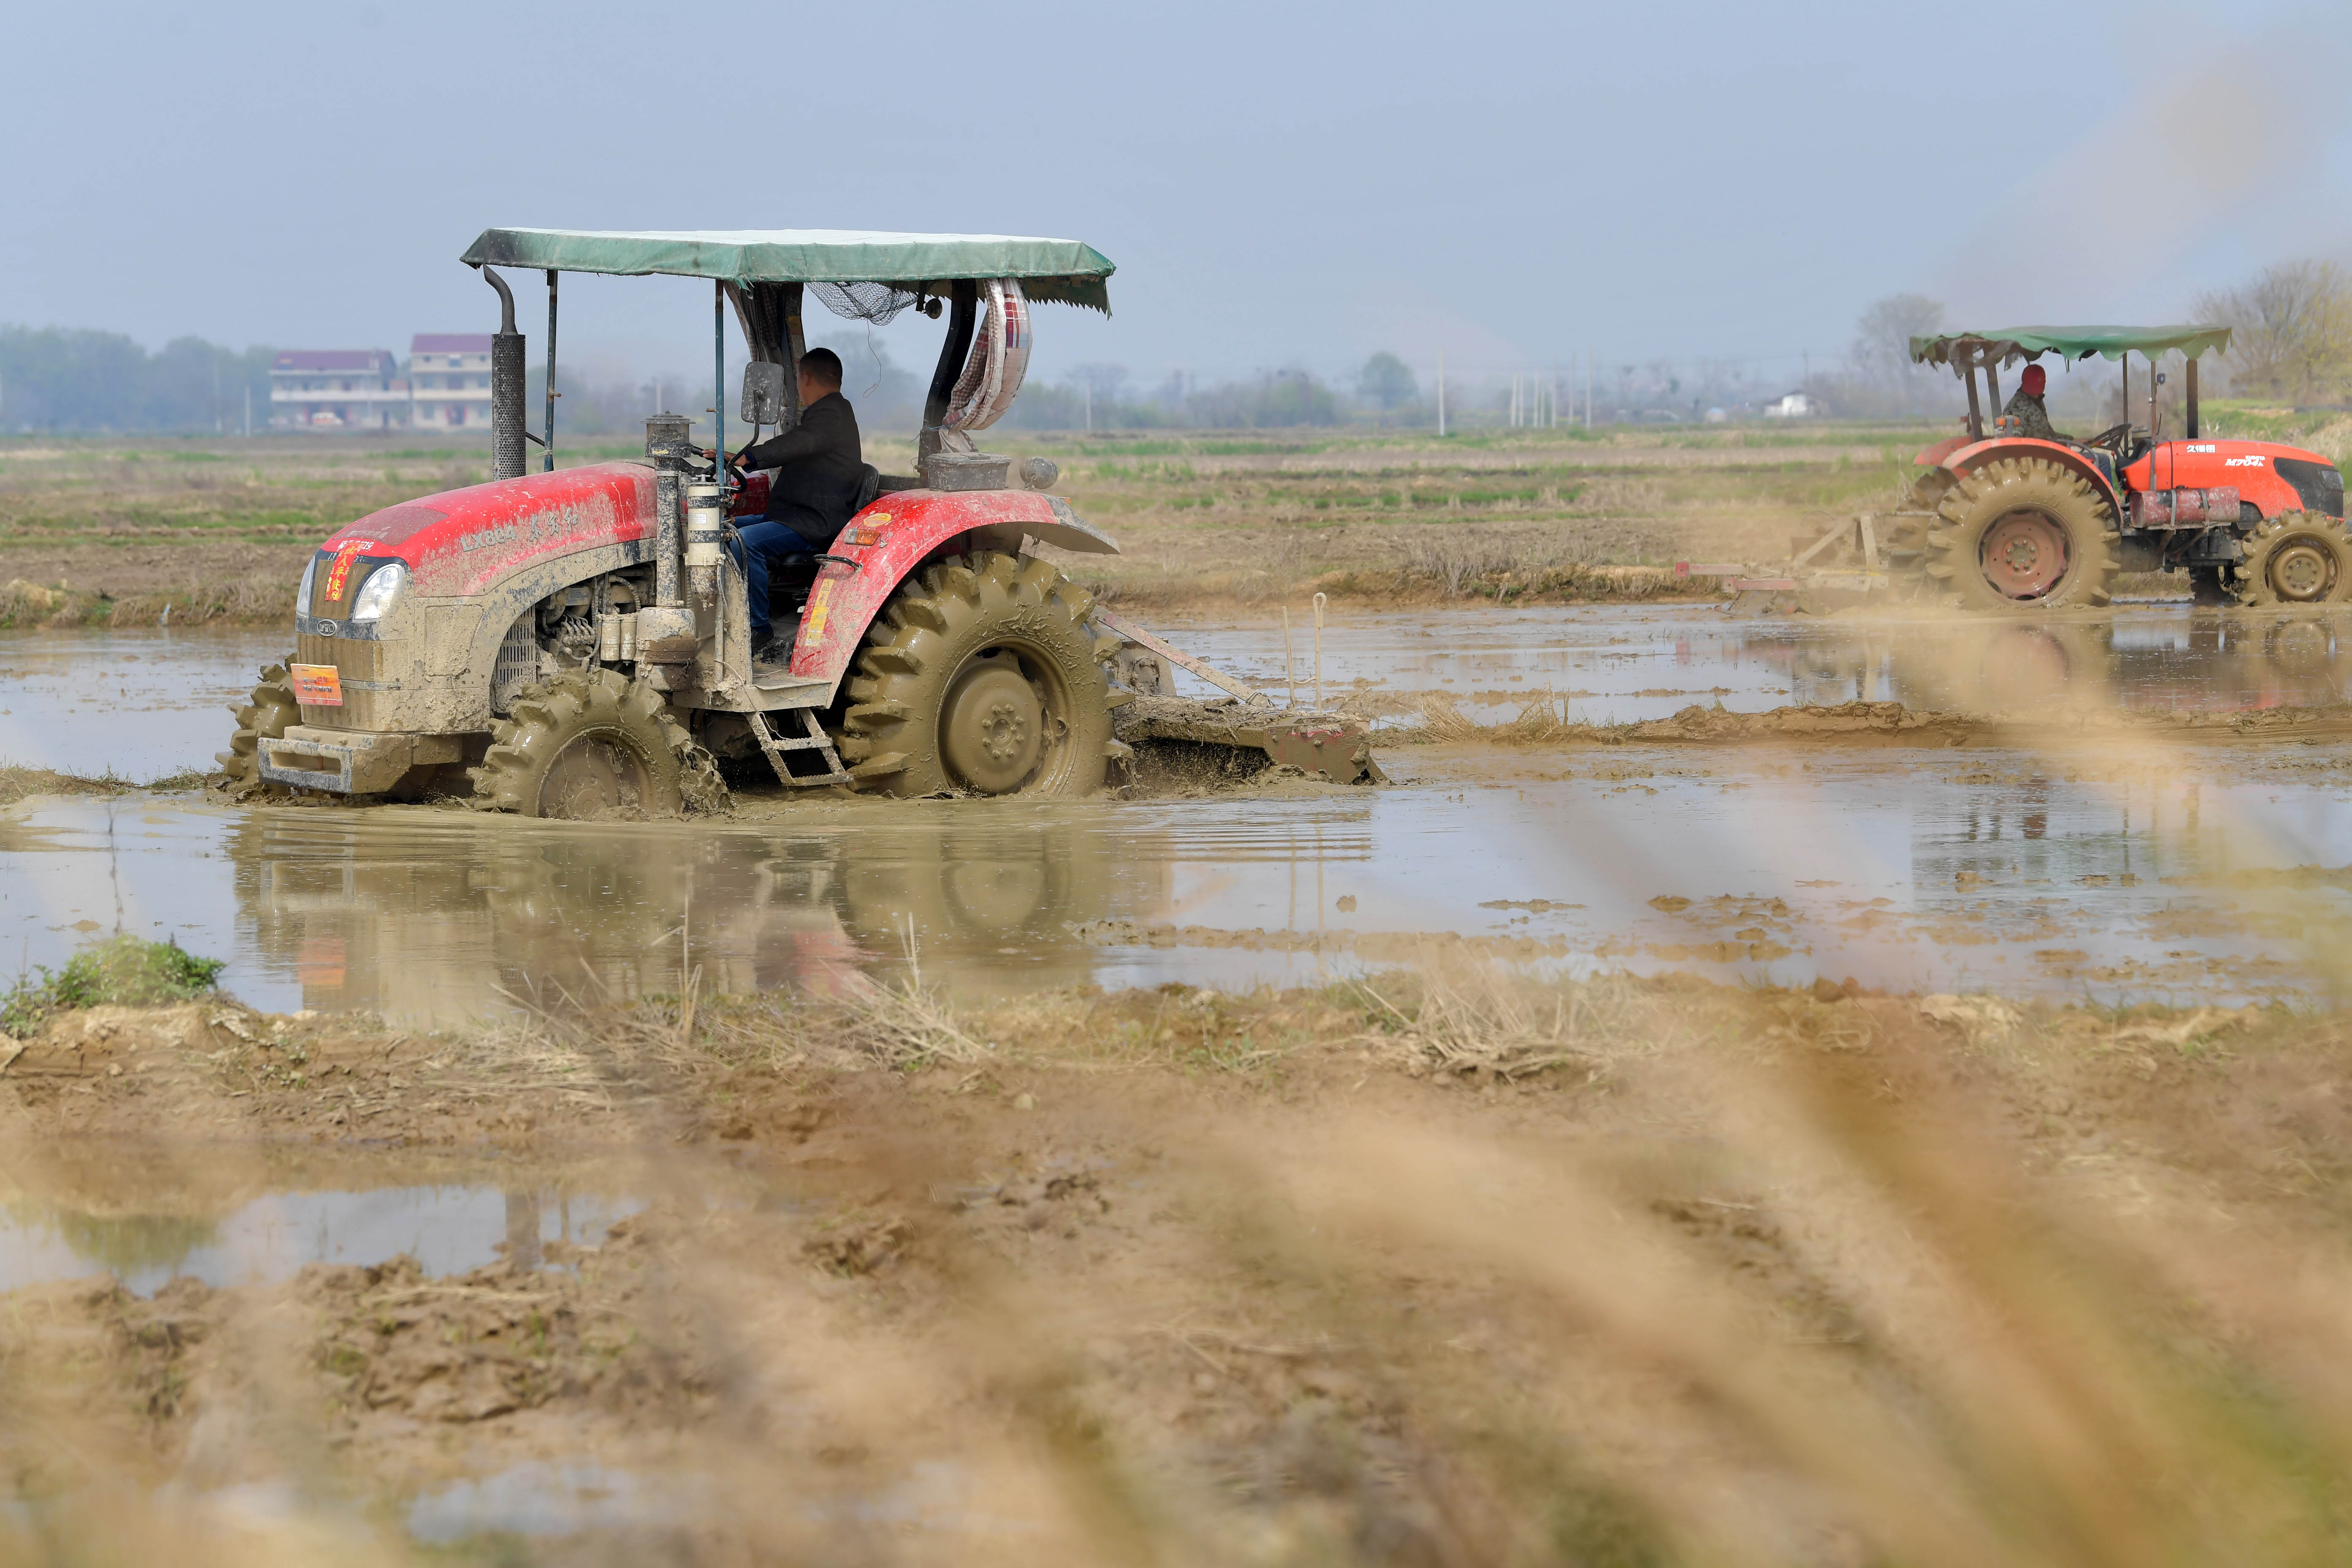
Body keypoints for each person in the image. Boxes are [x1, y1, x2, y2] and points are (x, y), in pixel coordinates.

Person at [727, 348, 862, 664]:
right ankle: (729, 612)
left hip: (813, 521)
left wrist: (750, 457)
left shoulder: (832, 415)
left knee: (745, 543)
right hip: (796, 514)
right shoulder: (828, 416)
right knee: (725, 529)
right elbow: (801, 443)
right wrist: (734, 457)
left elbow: (801, 442)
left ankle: (758, 627)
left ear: (806, 378)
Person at [2001, 362, 2069, 442]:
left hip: (2045, 450)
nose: (2035, 390)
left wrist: (2075, 441)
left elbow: (2049, 436)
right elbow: (2015, 444)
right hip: (2031, 453)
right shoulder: (2016, 408)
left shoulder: (2037, 401)